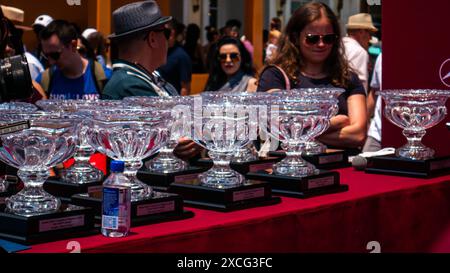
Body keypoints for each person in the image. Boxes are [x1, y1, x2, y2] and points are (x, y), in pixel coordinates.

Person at [257, 2, 367, 149]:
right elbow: (277, 129)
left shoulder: (348, 78)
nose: (321, 44)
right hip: (290, 168)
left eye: (328, 38)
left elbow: (357, 134)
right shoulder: (275, 76)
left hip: (340, 168)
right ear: (296, 38)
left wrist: (300, 133)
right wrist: (335, 123)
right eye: (312, 38)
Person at [103, 1, 179, 99]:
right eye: (166, 33)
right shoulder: (131, 86)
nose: (167, 41)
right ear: (152, 39)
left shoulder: (143, 78)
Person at [37, 20, 108, 100]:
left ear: (73, 45)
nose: (51, 62)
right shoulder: (45, 79)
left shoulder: (103, 76)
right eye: (46, 55)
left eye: (55, 55)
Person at [343, 13, 378, 94]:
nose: (370, 38)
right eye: (370, 33)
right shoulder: (359, 52)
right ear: (361, 32)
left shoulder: (338, 46)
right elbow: (361, 86)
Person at [157, 19, 192, 96]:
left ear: (172, 33)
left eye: (163, 31)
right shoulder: (158, 52)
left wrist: (181, 106)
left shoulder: (181, 56)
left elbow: (185, 87)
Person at [363, 53, 382, 152]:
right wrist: (364, 123)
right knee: (361, 164)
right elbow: (374, 93)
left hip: (417, 134)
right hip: (377, 134)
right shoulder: (383, 56)